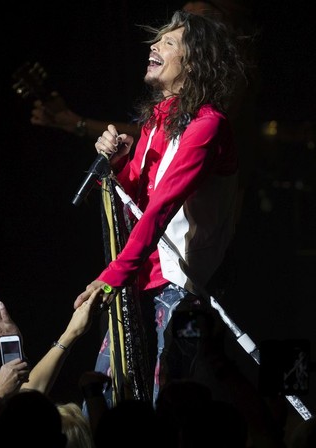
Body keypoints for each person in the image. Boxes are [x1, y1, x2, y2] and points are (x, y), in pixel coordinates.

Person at [73, 9, 246, 408]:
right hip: (140, 279)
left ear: (194, 62)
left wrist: (111, 276)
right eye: (158, 40)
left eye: (169, 42)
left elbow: (161, 208)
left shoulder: (208, 126)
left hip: (179, 288)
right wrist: (117, 162)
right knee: (107, 398)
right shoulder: (157, 120)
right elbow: (134, 196)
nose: (154, 45)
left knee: (163, 405)